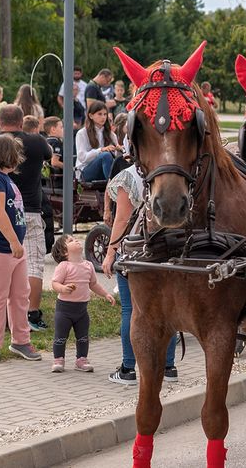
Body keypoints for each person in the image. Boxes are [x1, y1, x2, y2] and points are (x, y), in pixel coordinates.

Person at [0, 105, 55, 331]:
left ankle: (3, 316)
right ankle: (31, 313)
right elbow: (50, 154)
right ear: (22, 122)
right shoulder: (37, 141)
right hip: (29, 210)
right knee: (33, 265)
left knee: (0, 268)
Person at [101, 164, 180, 384]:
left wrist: (110, 253)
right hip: (168, 250)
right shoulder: (172, 170)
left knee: (131, 309)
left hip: (136, 251)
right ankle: (168, 366)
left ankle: (128, 368)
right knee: (167, 310)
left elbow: (122, 219)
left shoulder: (129, 177)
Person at [0, 133, 42, 363]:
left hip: (14, 249)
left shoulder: (5, 178)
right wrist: (13, 241)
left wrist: (17, 243)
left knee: (20, 295)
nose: (18, 160)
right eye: (16, 155)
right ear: (8, 156)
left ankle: (20, 341)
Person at [50, 235, 116, 372]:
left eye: (75, 238)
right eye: (71, 241)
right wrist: (63, 288)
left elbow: (93, 284)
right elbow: (55, 283)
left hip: (82, 310)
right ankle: (58, 359)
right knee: (60, 336)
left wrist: (106, 294)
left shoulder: (88, 265)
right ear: (64, 252)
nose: (76, 240)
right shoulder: (64, 266)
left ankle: (81, 360)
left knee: (83, 337)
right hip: (64, 310)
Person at [76, 101, 119, 182]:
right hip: (85, 172)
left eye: (105, 114)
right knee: (105, 155)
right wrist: (101, 150)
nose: (103, 117)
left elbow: (114, 158)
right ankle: (113, 188)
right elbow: (82, 158)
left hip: (104, 170)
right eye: (99, 114)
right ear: (91, 116)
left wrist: (118, 150)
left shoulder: (111, 134)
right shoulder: (82, 133)